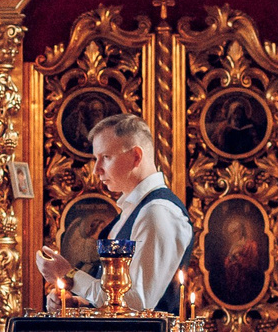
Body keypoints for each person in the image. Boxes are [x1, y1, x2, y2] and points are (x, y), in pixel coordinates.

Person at [33, 113, 193, 311]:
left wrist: (71, 276)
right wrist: (81, 305)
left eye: (106, 157)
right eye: (96, 159)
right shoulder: (134, 210)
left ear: (136, 156)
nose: (96, 170)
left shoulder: (158, 213)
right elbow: (117, 303)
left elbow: (137, 304)